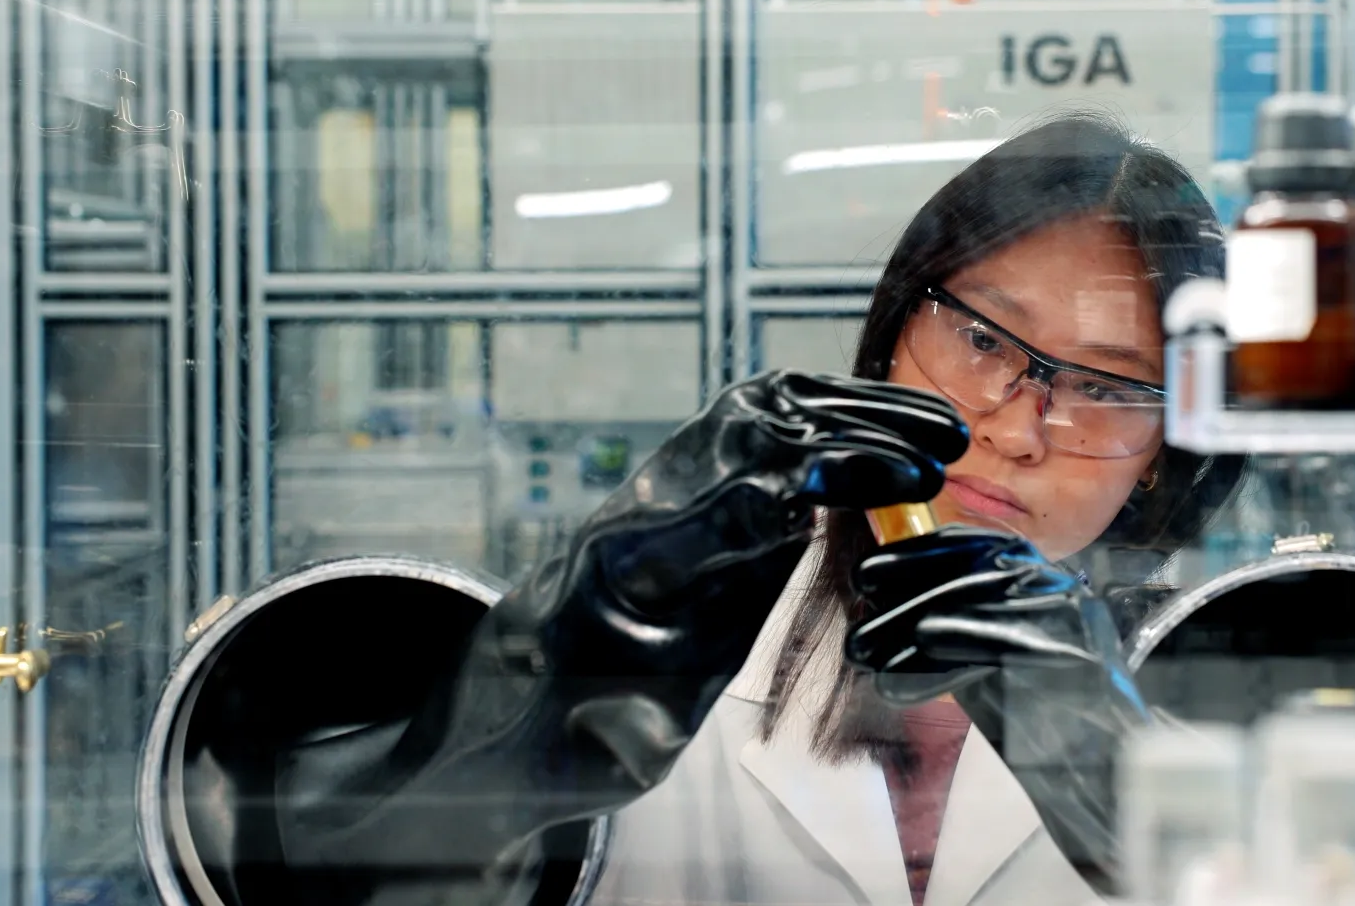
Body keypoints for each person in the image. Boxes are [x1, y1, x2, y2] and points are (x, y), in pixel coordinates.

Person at [243, 110, 1244, 906]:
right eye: (984, 340)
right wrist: (512, 732)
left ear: (1164, 453)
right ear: (894, 331)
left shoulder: (1227, 717)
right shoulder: (667, 646)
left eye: (1109, 388)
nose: (1018, 428)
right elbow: (307, 869)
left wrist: (1132, 802)